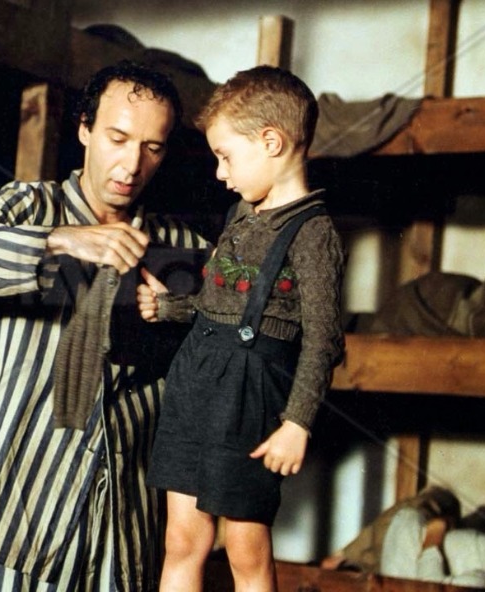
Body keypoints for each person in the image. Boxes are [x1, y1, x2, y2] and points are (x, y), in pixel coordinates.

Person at [0, 60, 210, 591]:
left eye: (152, 148)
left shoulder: (180, 245)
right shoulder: (28, 205)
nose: (132, 164)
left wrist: (179, 309)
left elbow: (257, 310)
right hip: (11, 514)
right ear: (85, 129)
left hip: (122, 521)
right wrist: (62, 239)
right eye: (118, 139)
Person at [137, 66, 345, 591]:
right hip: (195, 378)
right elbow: (219, 303)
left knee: (246, 550)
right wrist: (170, 309)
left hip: (250, 393)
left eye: (226, 156)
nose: (220, 173)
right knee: (182, 540)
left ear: (271, 142)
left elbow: (323, 340)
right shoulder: (240, 215)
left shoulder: (314, 233)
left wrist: (297, 424)